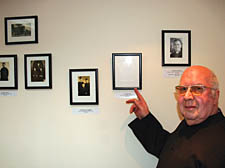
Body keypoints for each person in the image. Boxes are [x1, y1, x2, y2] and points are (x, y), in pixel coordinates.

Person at [126, 65, 225, 168]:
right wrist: (145, 117)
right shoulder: (191, 124)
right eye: (183, 89)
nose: (187, 96)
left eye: (197, 89)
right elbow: (169, 149)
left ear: (215, 96)